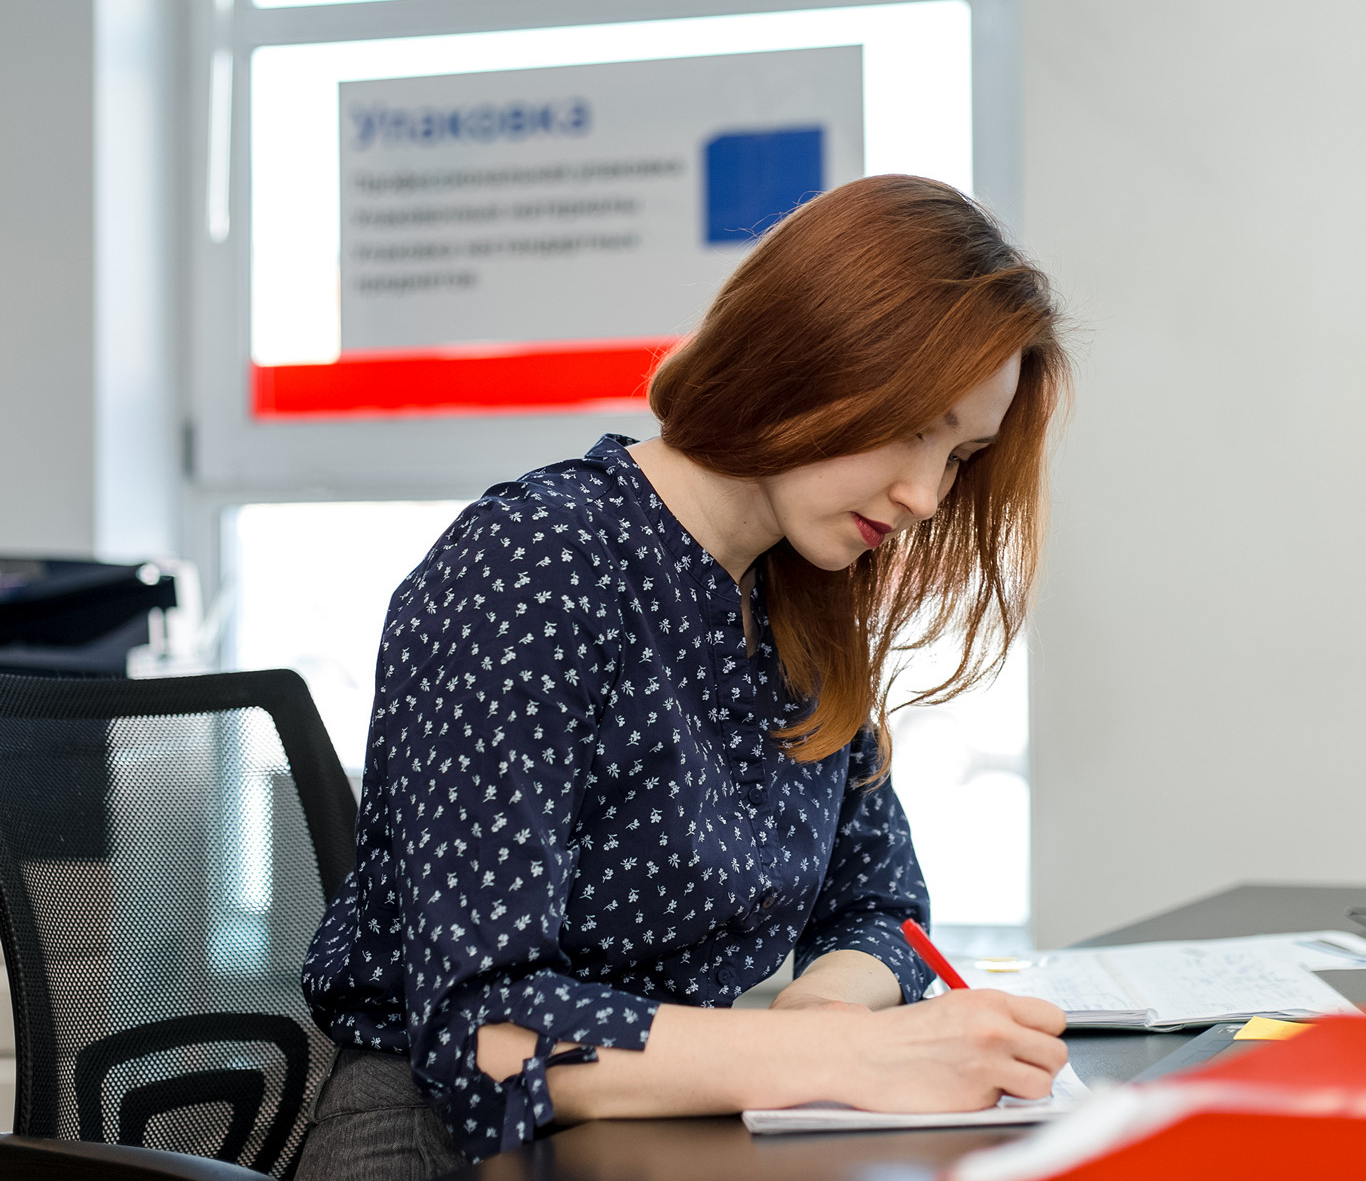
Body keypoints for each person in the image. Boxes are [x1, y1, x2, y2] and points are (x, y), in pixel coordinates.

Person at [295, 175, 1074, 1177]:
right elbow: (485, 1030)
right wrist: (836, 1053)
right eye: (913, 424)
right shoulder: (535, 563)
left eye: (960, 454)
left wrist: (826, 1012)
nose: (927, 494)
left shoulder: (800, 597)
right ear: (802, 356)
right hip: (443, 1144)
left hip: (660, 1130)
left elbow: (882, 909)